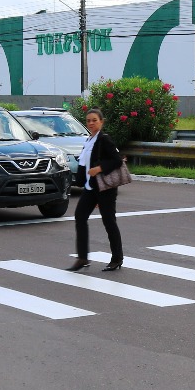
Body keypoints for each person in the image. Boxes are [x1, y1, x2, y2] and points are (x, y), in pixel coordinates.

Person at [67, 108, 125, 272]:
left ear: (101, 122)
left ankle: (117, 258)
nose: (91, 123)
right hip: (90, 188)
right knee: (80, 217)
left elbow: (117, 161)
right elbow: (83, 164)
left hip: (104, 189)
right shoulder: (88, 140)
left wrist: (99, 168)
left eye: (94, 120)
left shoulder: (104, 140)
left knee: (109, 222)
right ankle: (82, 258)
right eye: (88, 121)